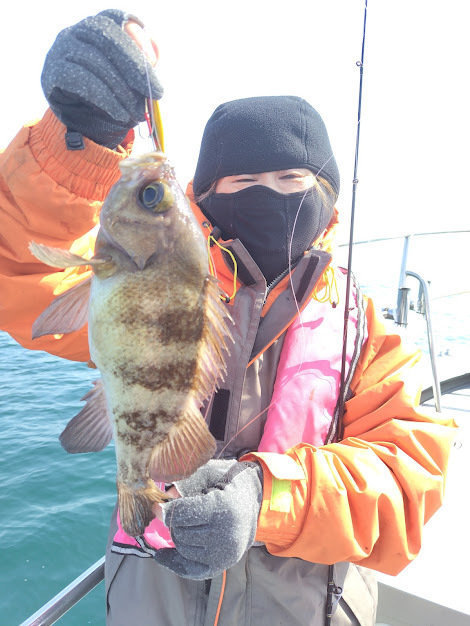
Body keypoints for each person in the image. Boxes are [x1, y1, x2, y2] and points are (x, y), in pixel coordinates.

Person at [0, 10, 456, 626]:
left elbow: (408, 482)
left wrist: (267, 498)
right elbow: (22, 273)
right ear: (204, 199)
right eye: (242, 180)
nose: (270, 192)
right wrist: (76, 140)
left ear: (326, 196)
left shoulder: (367, 335)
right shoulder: (162, 287)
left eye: (292, 177)